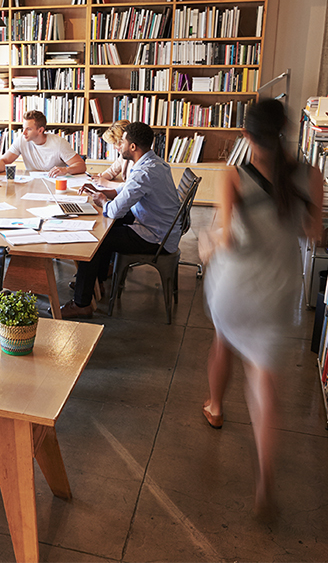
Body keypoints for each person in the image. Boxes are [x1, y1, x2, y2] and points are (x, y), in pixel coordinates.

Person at [201, 99, 323, 515]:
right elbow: (314, 234)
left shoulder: (233, 175)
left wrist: (207, 240)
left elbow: (229, 239)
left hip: (235, 286)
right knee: (264, 380)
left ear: (246, 135)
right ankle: (266, 477)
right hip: (279, 289)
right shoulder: (312, 175)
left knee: (222, 341)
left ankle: (215, 408)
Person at [61, 121, 181, 319]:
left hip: (155, 237)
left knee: (93, 240)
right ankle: (95, 282)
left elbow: (114, 210)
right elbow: (125, 190)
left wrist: (101, 199)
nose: (119, 146)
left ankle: (81, 303)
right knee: (104, 232)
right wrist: (101, 191)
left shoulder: (144, 172)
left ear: (132, 147)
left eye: (122, 142)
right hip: (158, 226)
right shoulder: (152, 163)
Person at [0, 110, 86, 177]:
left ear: (40, 130)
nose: (23, 132)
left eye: (28, 129)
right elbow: (4, 160)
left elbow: (81, 166)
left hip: (55, 185)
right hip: (32, 184)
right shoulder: (22, 140)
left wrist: (66, 170)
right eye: (23, 128)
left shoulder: (59, 143)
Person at [92, 120, 132, 186]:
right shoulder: (123, 155)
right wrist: (100, 177)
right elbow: (112, 171)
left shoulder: (137, 159)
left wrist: (107, 183)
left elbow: (130, 187)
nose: (114, 147)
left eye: (115, 143)